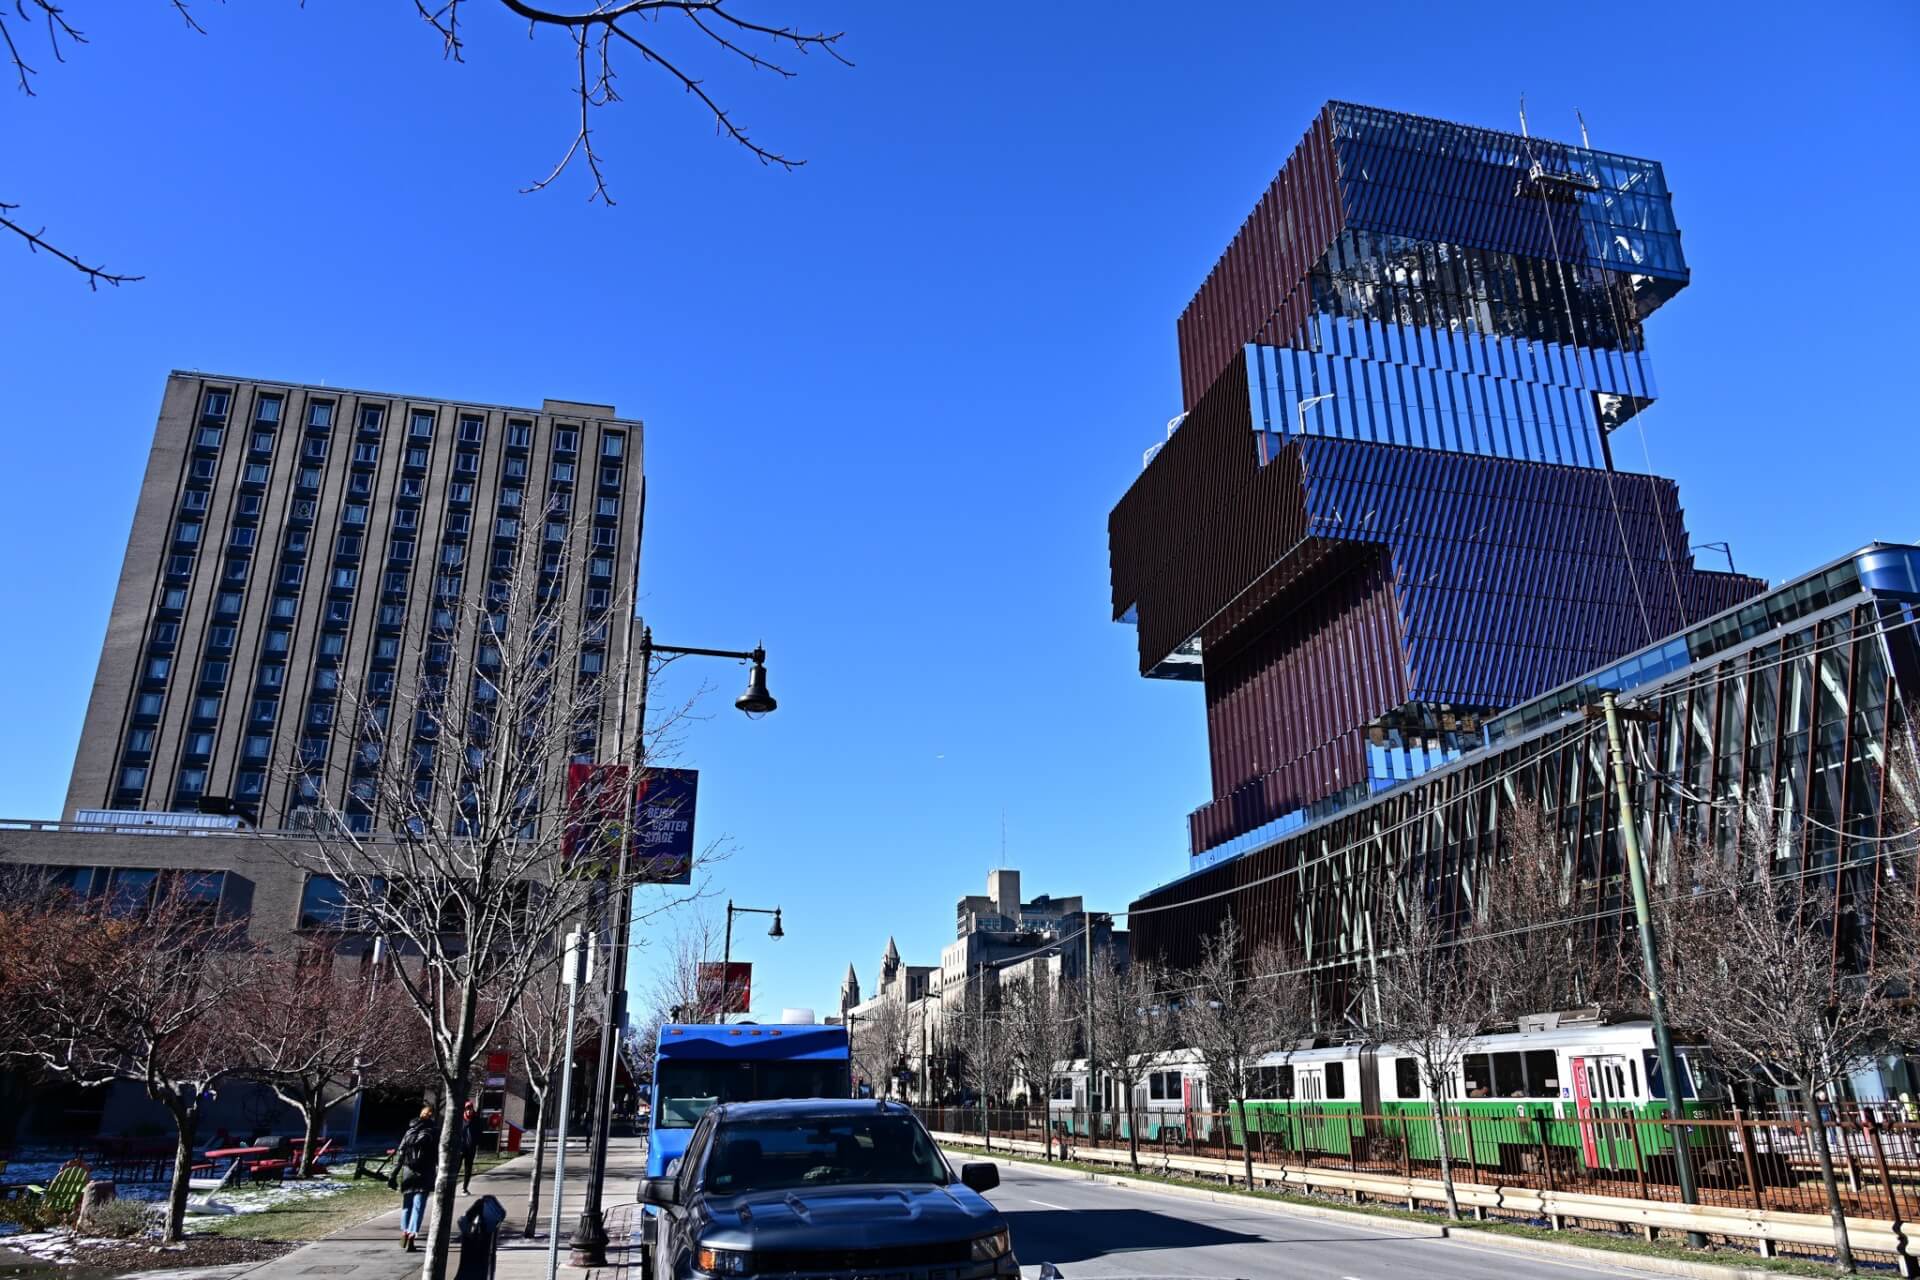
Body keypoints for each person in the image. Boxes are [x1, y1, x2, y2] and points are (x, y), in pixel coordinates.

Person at [389, 1106, 438, 1252]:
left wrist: (393, 1174)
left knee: (407, 1204)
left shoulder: (410, 1130)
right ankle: (411, 1234)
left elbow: (401, 1152)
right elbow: (437, 1154)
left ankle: (405, 1231)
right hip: (425, 1172)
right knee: (419, 1206)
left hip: (408, 1172)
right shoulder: (433, 1131)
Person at [460, 1100, 485, 1193]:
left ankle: (464, 1188)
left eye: (470, 1109)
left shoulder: (476, 1120)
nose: (469, 1111)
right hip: (460, 1147)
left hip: (471, 1147)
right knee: (456, 1167)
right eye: (467, 1109)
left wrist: (477, 1142)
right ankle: (452, 1187)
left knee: (468, 1168)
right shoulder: (460, 1120)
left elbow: (480, 1132)